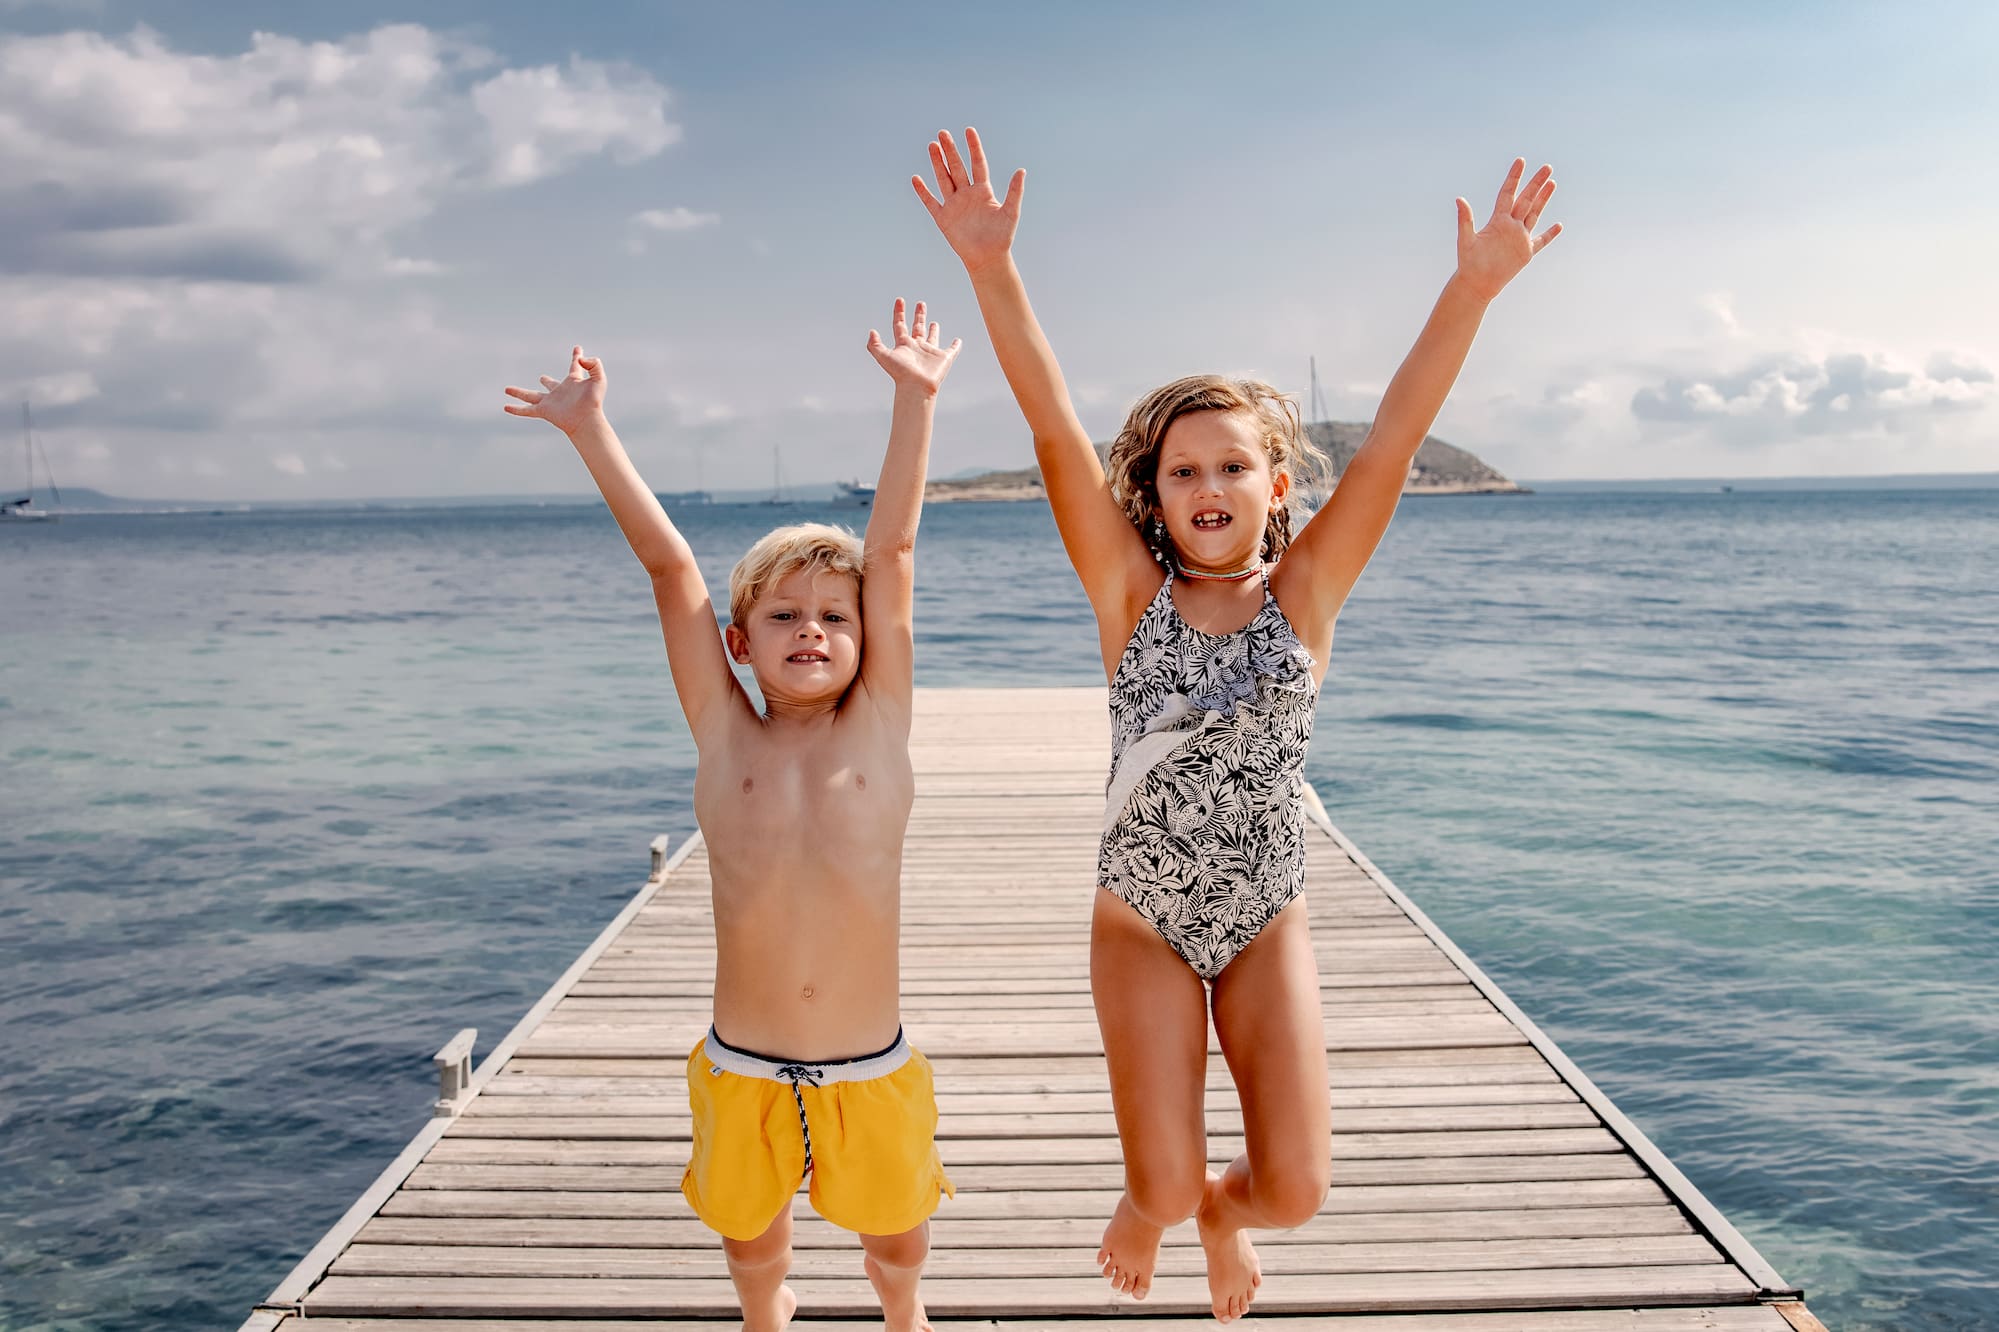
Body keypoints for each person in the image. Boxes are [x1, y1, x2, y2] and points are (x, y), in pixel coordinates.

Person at [913, 126, 1560, 1322]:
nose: (1206, 487)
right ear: (1152, 495)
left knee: (1296, 1192)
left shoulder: (1305, 594)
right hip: (1142, 918)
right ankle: (1168, 1203)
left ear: (1276, 484)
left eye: (1230, 467)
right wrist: (992, 269)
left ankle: (1226, 1214)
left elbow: (1394, 442)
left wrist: (1469, 290)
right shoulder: (1129, 597)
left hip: (1266, 910)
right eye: (1181, 472)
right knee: (1155, 1187)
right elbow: (1053, 430)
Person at [502, 298, 963, 1332]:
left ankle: (902, 1311)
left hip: (869, 1064)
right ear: (740, 644)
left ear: (866, 640)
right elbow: (671, 568)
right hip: (741, 1063)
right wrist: (590, 429)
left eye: (834, 617)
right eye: (783, 615)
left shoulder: (877, 729)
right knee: (750, 1237)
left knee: (896, 1235)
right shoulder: (726, 737)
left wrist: (915, 399)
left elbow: (891, 552)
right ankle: (766, 1315)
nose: (812, 630)